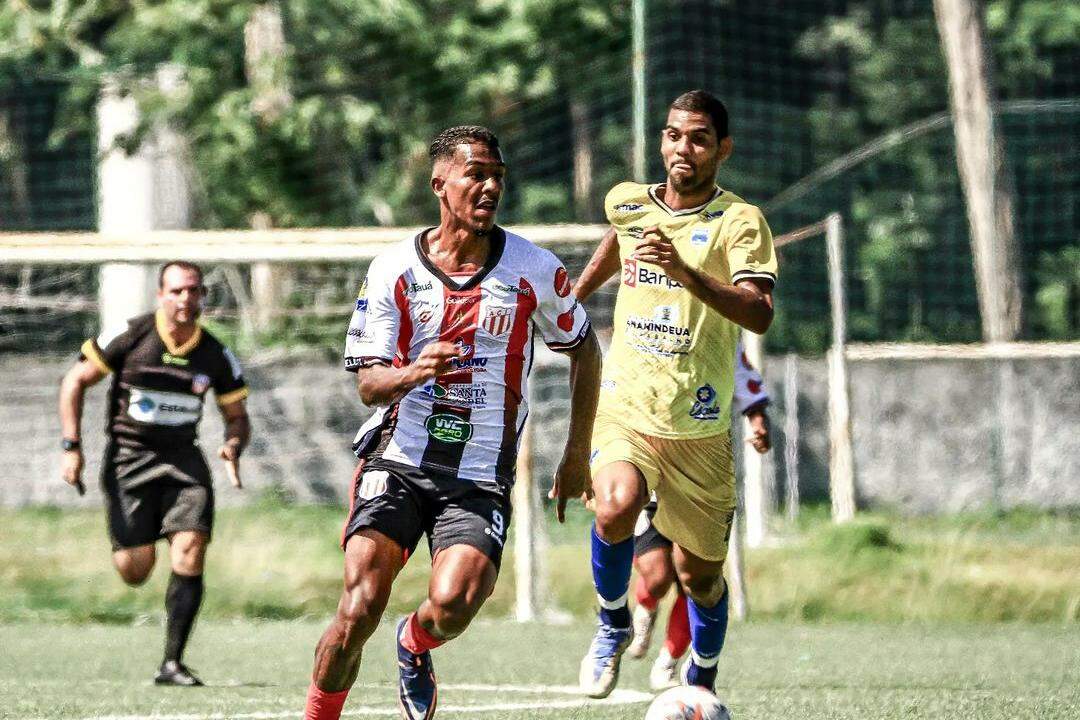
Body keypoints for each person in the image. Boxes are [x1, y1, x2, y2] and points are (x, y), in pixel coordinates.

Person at [303, 125, 601, 720]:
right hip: (399, 459)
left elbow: (585, 349)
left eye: (498, 176)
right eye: (476, 174)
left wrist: (576, 455)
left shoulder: (533, 268)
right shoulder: (392, 269)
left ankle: (414, 642)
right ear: (440, 183)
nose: (490, 186)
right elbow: (368, 384)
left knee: (455, 603)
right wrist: (414, 372)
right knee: (358, 607)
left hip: (480, 473)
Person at [571, 89, 777, 698]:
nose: (681, 148)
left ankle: (701, 679)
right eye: (672, 135)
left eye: (698, 138)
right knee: (614, 506)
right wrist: (575, 298)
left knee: (700, 578)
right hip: (627, 407)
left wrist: (685, 273)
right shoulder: (629, 200)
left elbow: (760, 314)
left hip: (700, 427)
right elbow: (619, 237)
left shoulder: (740, 221)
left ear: (723, 149)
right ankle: (611, 624)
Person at [58, 261, 250, 686]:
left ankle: (172, 663)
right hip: (129, 461)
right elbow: (74, 382)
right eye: (177, 291)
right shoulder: (131, 335)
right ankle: (145, 538)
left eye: (194, 291)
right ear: (161, 295)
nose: (186, 299)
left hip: (184, 462)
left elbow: (237, 416)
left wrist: (233, 444)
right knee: (135, 569)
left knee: (192, 548)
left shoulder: (216, 354)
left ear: (202, 296)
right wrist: (72, 447)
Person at [627, 343, 772, 690]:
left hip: (699, 485)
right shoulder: (644, 330)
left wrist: (757, 419)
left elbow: (747, 379)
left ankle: (669, 661)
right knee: (658, 575)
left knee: (694, 580)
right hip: (652, 481)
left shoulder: (716, 334)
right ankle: (645, 608)